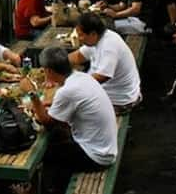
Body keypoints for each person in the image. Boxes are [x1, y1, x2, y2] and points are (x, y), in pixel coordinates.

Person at [20, 46, 118, 191]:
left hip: (97, 156)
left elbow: (46, 121)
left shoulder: (67, 91)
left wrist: (32, 94)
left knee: (46, 152)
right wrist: (46, 103)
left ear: (48, 71)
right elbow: (71, 103)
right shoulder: (81, 77)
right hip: (106, 147)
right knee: (56, 140)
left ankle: (47, 189)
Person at [69, 13, 141, 113]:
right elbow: (78, 56)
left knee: (71, 109)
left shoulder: (108, 46)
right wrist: (57, 62)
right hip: (109, 93)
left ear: (93, 34)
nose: (79, 38)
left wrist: (73, 83)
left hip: (120, 101)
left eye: (81, 35)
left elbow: (101, 77)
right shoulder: (97, 38)